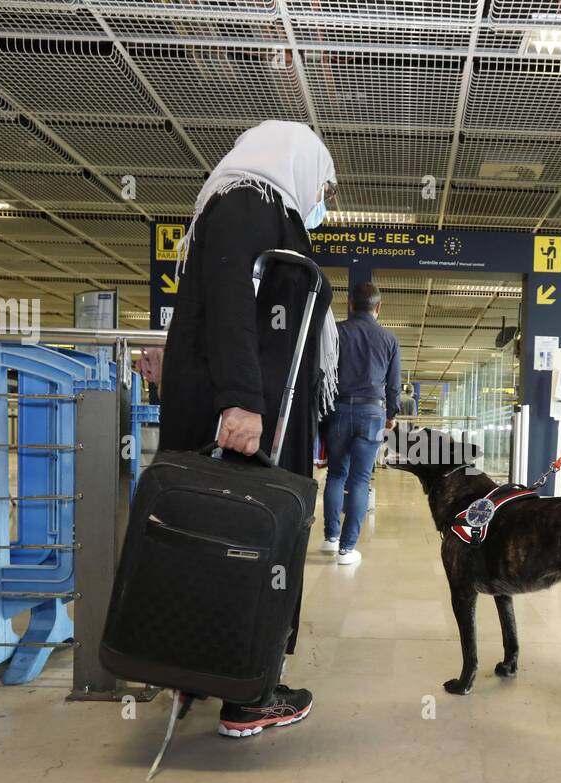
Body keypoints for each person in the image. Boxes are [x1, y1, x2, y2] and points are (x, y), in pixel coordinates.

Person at [158, 119, 340, 737]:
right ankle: (248, 695)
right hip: (248, 422)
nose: (320, 198)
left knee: (208, 539)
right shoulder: (249, 204)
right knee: (252, 544)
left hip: (251, 415)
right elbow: (236, 307)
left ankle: (194, 670)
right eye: (322, 183)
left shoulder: (243, 208)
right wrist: (241, 402)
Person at [320, 282, 401, 565]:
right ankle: (347, 549)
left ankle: (330, 538)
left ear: (349, 304)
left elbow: (322, 371)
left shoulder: (336, 332)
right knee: (360, 480)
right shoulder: (389, 340)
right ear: (378, 308)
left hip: (337, 409)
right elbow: (393, 386)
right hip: (371, 413)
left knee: (336, 475)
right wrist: (391, 415)